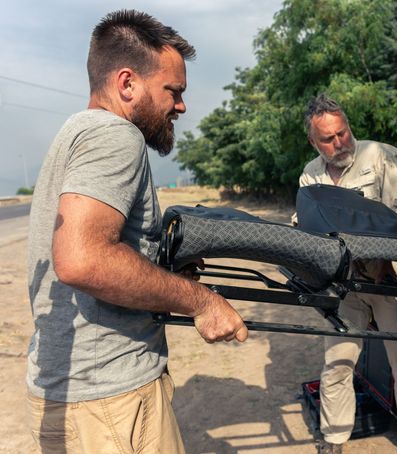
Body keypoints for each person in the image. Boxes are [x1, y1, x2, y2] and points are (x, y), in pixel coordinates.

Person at [26, 10, 247, 453]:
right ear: (127, 83)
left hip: (75, 396)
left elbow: (97, 253)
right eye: (174, 91)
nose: (181, 106)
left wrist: (160, 276)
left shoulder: (76, 131)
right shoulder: (114, 136)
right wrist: (200, 301)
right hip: (111, 403)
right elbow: (82, 258)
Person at [298, 94, 397, 454]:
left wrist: (381, 265)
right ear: (313, 142)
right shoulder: (310, 174)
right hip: (344, 284)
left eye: (343, 133)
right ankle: (334, 438)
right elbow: (307, 230)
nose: (340, 142)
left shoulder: (380, 156)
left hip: (388, 278)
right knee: (338, 362)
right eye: (328, 139)